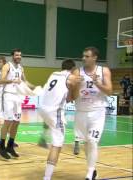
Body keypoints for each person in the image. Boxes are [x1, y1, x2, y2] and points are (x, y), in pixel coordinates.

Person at [72, 47, 113, 180]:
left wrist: (98, 83)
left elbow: (109, 91)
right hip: (81, 112)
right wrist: (76, 85)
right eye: (83, 56)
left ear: (94, 57)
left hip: (97, 112)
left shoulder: (104, 70)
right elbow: (72, 97)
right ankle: (93, 169)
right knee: (86, 143)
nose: (84, 58)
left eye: (87, 56)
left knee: (92, 141)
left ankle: (89, 174)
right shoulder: (77, 72)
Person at [38, 59, 80, 180]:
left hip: (42, 108)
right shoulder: (71, 77)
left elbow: (63, 97)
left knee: (50, 123)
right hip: (54, 112)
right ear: (72, 69)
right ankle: (47, 177)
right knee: (57, 145)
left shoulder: (54, 74)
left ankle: (44, 135)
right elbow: (73, 98)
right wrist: (76, 85)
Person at [0, 49, 35, 160]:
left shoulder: (21, 68)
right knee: (8, 121)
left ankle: (10, 146)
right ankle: (1, 147)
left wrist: (35, 88)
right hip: (8, 95)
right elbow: (1, 80)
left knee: (17, 122)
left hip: (18, 96)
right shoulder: (7, 66)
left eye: (20, 55)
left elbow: (25, 81)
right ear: (12, 56)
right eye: (17, 55)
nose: (19, 57)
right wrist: (13, 81)